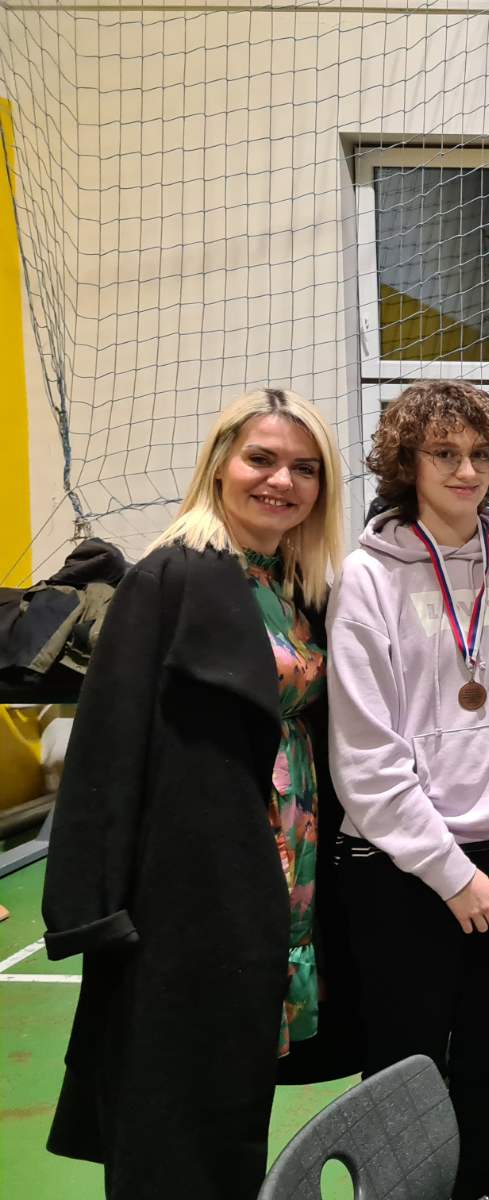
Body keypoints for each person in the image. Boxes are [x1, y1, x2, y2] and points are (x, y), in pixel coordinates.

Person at [42, 389, 353, 1199]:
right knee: (175, 1103)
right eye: (262, 459)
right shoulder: (171, 576)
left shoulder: (295, 585)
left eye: (304, 468)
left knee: (233, 1088)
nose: (281, 481)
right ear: (220, 465)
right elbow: (108, 746)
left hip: (281, 864)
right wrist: (89, 906)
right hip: (191, 881)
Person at [328, 379, 489, 1200]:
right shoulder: (366, 578)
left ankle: (474, 1188)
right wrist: (452, 876)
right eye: (444, 453)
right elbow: (366, 759)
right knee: (401, 1068)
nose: (465, 471)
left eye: (479, 454)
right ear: (407, 462)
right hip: (400, 869)